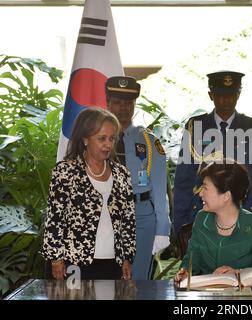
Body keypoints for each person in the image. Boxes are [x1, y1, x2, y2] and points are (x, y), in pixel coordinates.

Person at [173, 70, 252, 235]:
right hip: (203, 214)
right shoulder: (195, 127)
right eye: (220, 94)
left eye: (231, 94)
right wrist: (180, 225)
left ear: (239, 94)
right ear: (210, 95)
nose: (226, 100)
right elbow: (183, 179)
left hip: (246, 214)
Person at [42, 108, 136, 280]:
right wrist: (56, 259)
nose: (108, 144)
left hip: (112, 265)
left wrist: (127, 257)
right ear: (85, 139)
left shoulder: (123, 174)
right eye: (101, 139)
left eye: (111, 138)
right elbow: (54, 219)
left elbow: (128, 221)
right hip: (73, 264)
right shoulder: (66, 171)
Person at [105, 76, 171, 280]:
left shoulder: (149, 142)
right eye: (117, 102)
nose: (123, 108)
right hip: (103, 215)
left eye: (128, 103)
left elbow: (159, 190)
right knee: (104, 280)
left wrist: (162, 229)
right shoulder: (94, 138)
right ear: (107, 102)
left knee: (137, 280)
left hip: (141, 217)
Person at [175, 161, 252, 281]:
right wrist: (185, 272)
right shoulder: (201, 219)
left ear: (226, 196)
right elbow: (192, 259)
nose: (200, 193)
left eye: (205, 188)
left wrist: (239, 274)